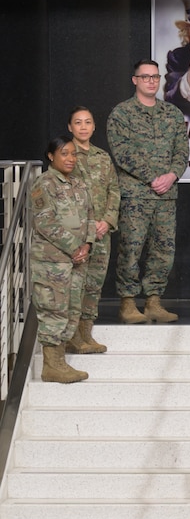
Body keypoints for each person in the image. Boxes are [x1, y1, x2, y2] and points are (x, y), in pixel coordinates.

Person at [106, 59, 188, 324]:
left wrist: (172, 174)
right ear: (135, 80)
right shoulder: (122, 113)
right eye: (145, 77)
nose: (151, 81)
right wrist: (153, 177)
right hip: (135, 195)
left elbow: (182, 151)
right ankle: (128, 303)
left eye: (155, 77)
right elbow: (122, 152)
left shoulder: (172, 114)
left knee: (163, 250)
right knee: (131, 248)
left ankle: (153, 302)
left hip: (166, 195)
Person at [31, 134, 96, 383]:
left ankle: (61, 362)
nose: (70, 158)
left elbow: (91, 215)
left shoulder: (79, 184)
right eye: (64, 154)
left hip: (78, 261)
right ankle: (52, 365)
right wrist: (74, 247)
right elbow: (45, 223)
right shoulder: (43, 184)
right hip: (52, 262)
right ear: (51, 156)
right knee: (54, 311)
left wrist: (87, 243)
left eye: (73, 154)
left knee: (72, 309)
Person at [66, 106, 119, 353]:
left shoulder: (102, 156)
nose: (84, 126)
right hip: (78, 234)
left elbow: (114, 190)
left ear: (94, 126)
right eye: (78, 122)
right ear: (70, 127)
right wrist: (86, 227)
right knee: (76, 284)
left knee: (94, 285)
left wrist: (107, 221)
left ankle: (86, 334)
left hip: (101, 232)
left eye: (88, 122)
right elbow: (62, 197)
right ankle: (72, 335)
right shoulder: (65, 155)